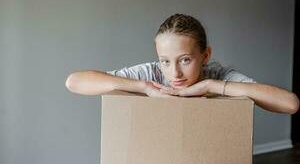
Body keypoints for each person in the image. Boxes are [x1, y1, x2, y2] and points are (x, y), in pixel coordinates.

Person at [65, 13, 299, 114]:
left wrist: (212, 87)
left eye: (185, 60)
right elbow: (74, 82)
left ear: (205, 56)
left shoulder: (216, 73)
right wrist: (145, 87)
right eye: (165, 61)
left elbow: (290, 104)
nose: (174, 72)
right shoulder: (152, 74)